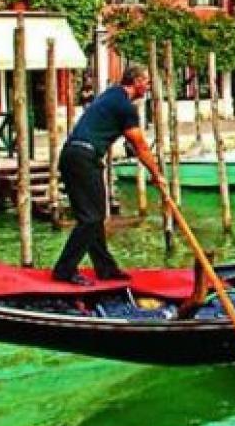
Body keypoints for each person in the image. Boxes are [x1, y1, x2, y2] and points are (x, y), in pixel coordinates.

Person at [52, 66, 164, 285]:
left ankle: (105, 268)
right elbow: (140, 146)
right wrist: (157, 174)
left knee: (94, 217)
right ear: (137, 81)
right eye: (147, 82)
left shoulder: (112, 94)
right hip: (82, 158)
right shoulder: (125, 106)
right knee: (91, 218)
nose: (149, 86)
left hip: (74, 155)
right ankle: (64, 270)